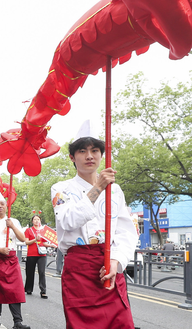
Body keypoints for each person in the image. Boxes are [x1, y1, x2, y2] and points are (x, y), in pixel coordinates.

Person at [51, 130, 138, 329]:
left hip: (109, 266)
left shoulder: (115, 190)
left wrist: (116, 261)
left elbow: (126, 231)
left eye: (95, 150)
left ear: (101, 155)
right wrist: (98, 186)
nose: (89, 156)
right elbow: (68, 220)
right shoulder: (60, 188)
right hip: (78, 270)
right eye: (82, 151)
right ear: (72, 157)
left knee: (121, 323)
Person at [0, 189, 31, 329]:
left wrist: (12, 226)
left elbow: (23, 239)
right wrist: (0, 250)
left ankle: (17, 321)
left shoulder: (13, 221)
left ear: (6, 205)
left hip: (11, 259)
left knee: (15, 290)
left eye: (2, 203)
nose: (0, 206)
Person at [24, 214, 55, 299]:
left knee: (42, 272)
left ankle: (43, 291)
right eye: (35, 219)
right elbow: (26, 242)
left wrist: (51, 245)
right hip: (31, 254)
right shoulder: (29, 230)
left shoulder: (42, 231)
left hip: (41, 254)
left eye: (38, 219)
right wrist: (35, 240)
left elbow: (44, 243)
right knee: (30, 272)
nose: (37, 221)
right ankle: (29, 289)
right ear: (32, 221)